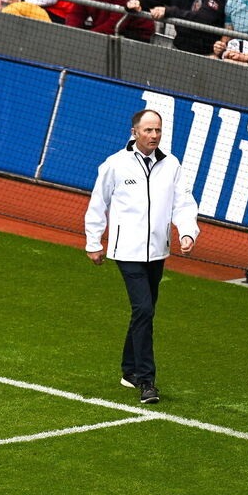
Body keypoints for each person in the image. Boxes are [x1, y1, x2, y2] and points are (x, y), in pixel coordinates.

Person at [84, 109, 199, 405]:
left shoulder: (171, 164)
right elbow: (98, 204)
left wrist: (187, 232)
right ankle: (147, 381)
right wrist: (93, 242)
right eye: (148, 130)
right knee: (145, 310)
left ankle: (129, 370)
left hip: (158, 252)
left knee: (143, 312)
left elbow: (183, 203)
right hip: (127, 252)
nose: (154, 136)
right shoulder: (115, 165)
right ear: (135, 132)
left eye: (158, 130)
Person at [127, 0, 227, 55]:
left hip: (207, 55)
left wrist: (169, 11)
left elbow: (203, 18)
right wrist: (134, 2)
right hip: (179, 51)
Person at [67, 0, 155, 41]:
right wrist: (71, 32)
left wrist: (86, 38)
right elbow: (77, 13)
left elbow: (116, 24)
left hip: (135, 36)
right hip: (105, 31)